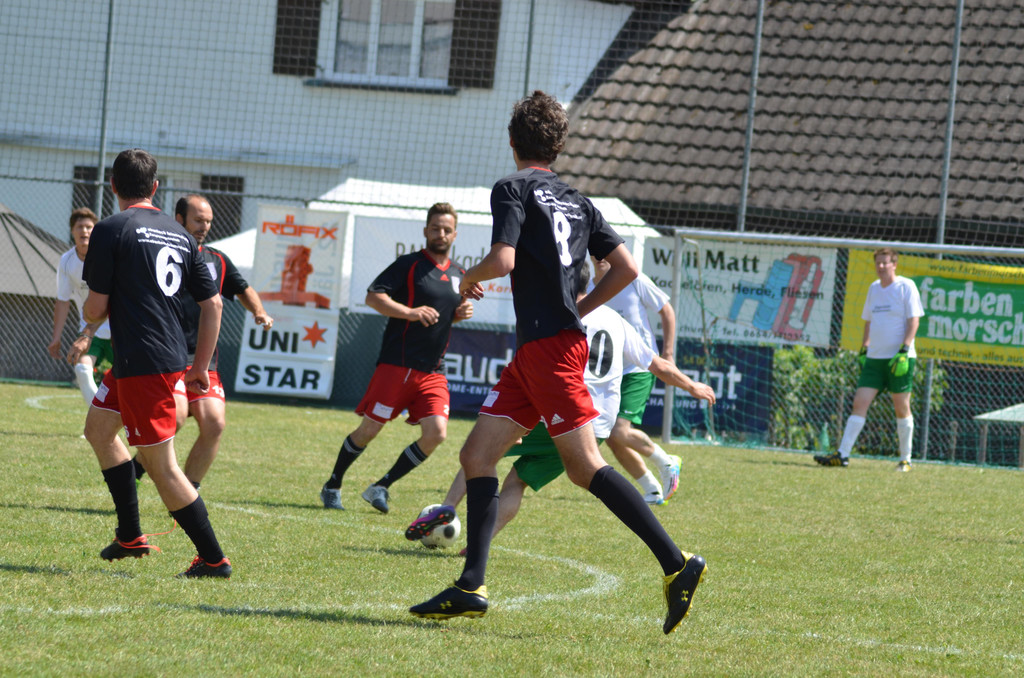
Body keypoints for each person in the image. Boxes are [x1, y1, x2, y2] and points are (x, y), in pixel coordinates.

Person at [409, 91, 707, 635]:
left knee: (584, 466)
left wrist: (468, 277)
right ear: (560, 145)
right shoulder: (579, 201)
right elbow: (626, 270)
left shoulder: (512, 187)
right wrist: (580, 309)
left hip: (550, 351)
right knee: (477, 455)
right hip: (539, 351)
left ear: (511, 141)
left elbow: (504, 260)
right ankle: (470, 586)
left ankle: (677, 563)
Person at [406, 266, 716, 554]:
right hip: (596, 429)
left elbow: (543, 368)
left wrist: (519, 416)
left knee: (482, 454)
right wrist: (692, 386)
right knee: (517, 481)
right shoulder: (617, 321)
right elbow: (658, 365)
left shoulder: (558, 316)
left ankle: (448, 507)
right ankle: (475, 549)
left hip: (561, 413)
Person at [82, 148, 231, 578]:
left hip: (144, 364)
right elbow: (213, 304)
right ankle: (130, 534)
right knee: (98, 430)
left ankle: (213, 559)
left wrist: (89, 311)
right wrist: (200, 366)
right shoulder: (179, 234)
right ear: (155, 187)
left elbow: (95, 309)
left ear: (113, 186)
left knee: (162, 468)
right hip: (151, 359)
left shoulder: (110, 229)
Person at [319, 202, 473, 513]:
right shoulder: (409, 264)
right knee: (368, 431)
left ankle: (381, 487)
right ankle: (332, 485)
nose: (441, 234)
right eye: (435, 228)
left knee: (436, 433)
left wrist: (460, 313)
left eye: (447, 229)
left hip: (433, 370)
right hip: (397, 366)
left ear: (455, 234)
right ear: (425, 231)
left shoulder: (460, 274)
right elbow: (373, 296)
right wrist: (410, 312)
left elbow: (447, 315)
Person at [132, 194, 274, 489]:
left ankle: (189, 491)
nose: (204, 226)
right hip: (168, 355)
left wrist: (259, 311)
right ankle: (135, 469)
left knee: (214, 424)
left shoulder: (216, 259)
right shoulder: (160, 253)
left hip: (203, 358)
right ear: (179, 219)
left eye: (208, 221)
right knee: (175, 419)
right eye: (198, 220)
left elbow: (242, 288)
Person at [814, 247, 923, 471]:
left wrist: (904, 350)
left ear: (894, 264)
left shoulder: (906, 286)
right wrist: (865, 347)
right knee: (859, 402)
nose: (881, 267)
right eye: (878, 263)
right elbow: (869, 321)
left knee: (901, 406)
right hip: (875, 358)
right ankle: (842, 455)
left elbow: (914, 320)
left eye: (885, 262)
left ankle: (906, 459)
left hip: (899, 358)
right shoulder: (874, 288)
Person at [591, 255, 681, 504]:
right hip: (608, 371)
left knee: (619, 430)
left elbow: (666, 310)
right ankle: (651, 489)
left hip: (640, 367)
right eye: (594, 251)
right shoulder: (587, 287)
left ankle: (667, 462)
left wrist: (668, 354)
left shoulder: (634, 279)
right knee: (610, 435)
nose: (599, 256)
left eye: (604, 251)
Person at [47, 207, 114, 405]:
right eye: (79, 227)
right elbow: (63, 300)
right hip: (90, 332)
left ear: (96, 231)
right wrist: (56, 337)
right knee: (82, 369)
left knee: (131, 378)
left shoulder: (107, 256)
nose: (84, 231)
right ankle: (98, 416)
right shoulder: (67, 261)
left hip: (117, 329)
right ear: (72, 231)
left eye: (89, 227)